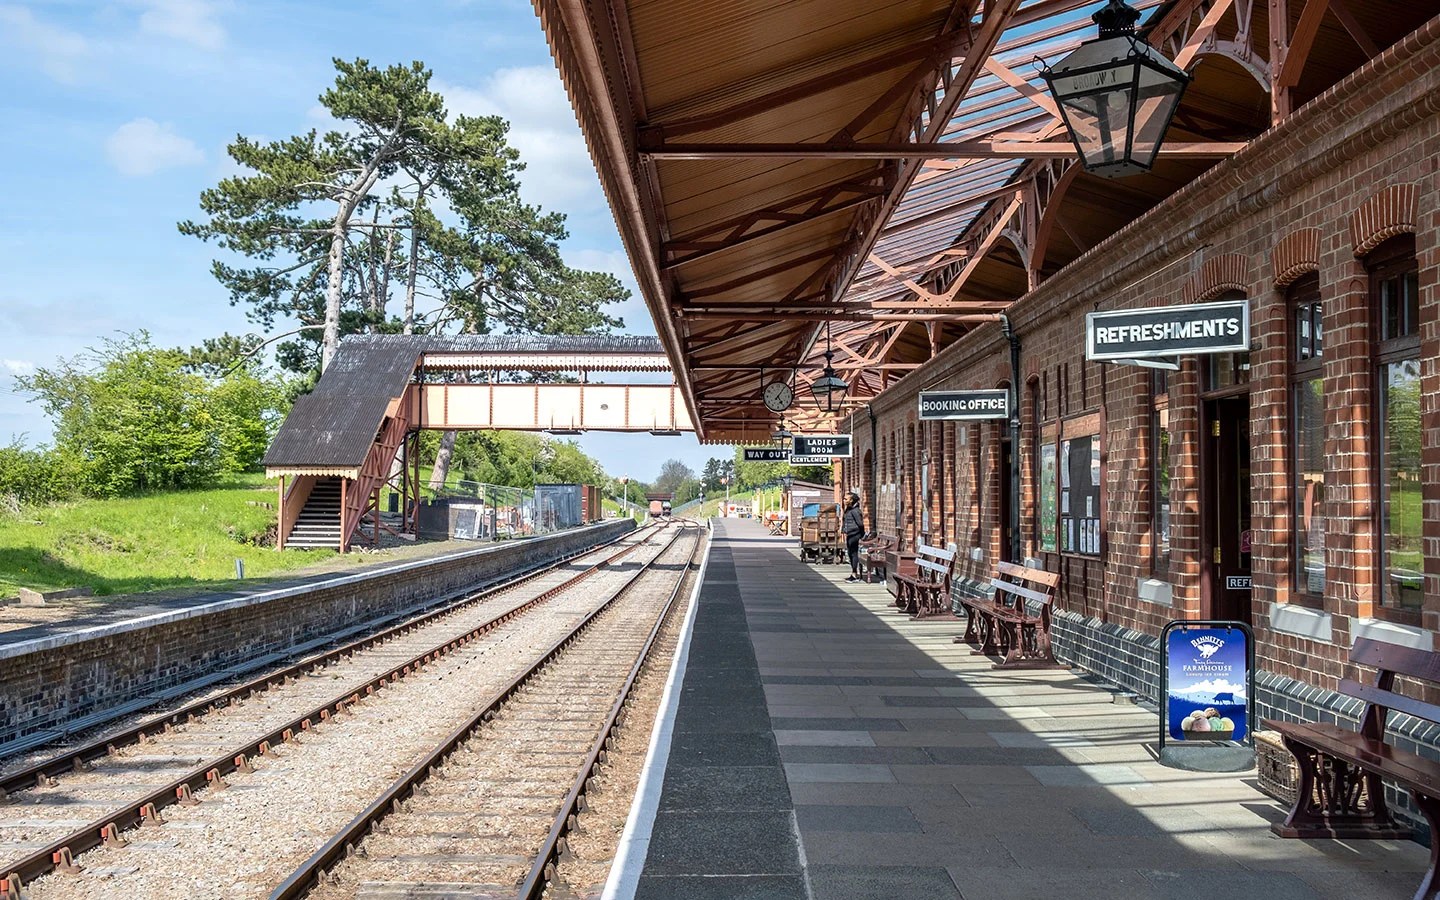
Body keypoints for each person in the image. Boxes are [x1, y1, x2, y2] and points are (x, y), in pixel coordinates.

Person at [842, 490, 865, 583]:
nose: (844, 500)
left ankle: (854, 574)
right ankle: (853, 573)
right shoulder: (849, 509)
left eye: (845, 499)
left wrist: (862, 535)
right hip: (850, 534)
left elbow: (860, 524)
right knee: (850, 553)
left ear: (851, 500)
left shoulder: (855, 511)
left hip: (855, 534)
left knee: (854, 553)